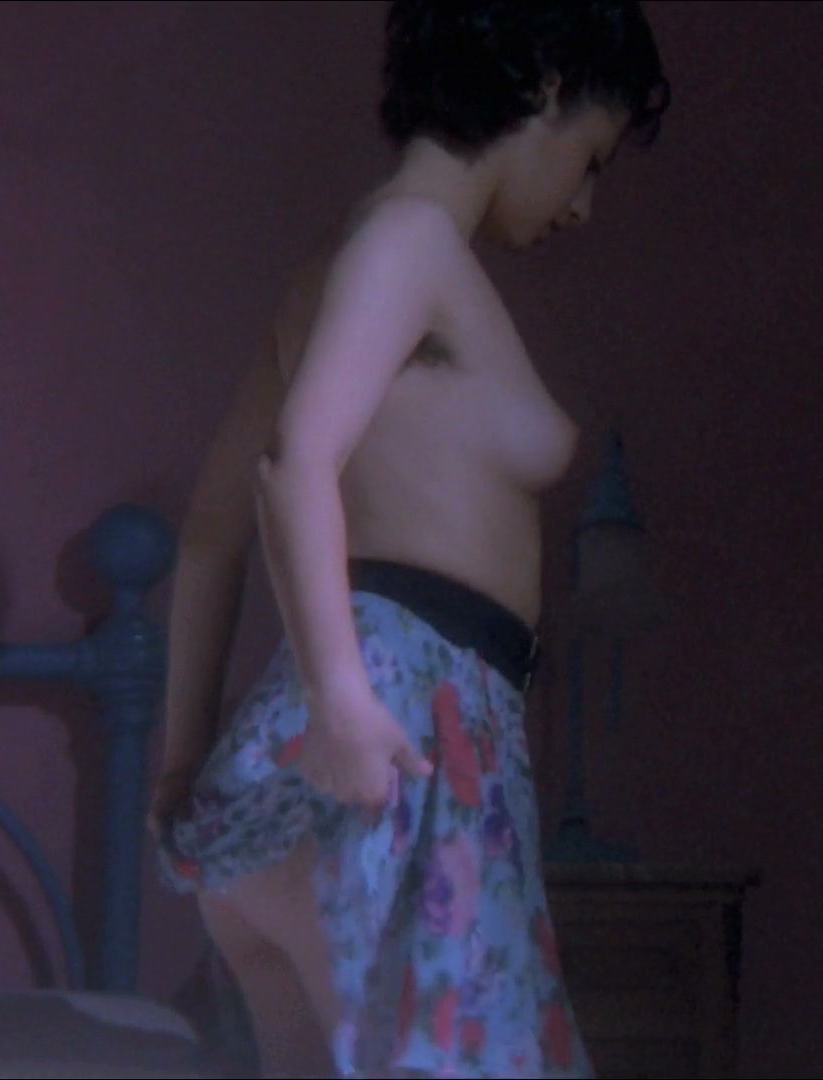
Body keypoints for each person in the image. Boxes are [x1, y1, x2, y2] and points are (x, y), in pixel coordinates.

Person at [144, 3, 670, 1076]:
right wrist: (341, 702)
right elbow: (295, 465)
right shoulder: (411, 240)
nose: (582, 204)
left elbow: (207, 536)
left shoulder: (343, 262)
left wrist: (184, 766)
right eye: (590, 159)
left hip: (322, 765)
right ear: (548, 85)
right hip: (400, 742)